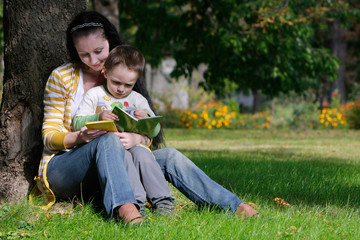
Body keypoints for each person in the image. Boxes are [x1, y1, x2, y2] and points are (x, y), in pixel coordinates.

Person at [29, 11, 258, 224]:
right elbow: (49, 137)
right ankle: (126, 209)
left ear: (110, 42)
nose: (94, 60)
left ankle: (233, 205)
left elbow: (144, 129)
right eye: (84, 54)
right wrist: (81, 136)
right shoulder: (62, 77)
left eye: (99, 51)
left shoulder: (124, 73)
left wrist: (139, 140)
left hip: (117, 165)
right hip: (66, 169)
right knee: (108, 141)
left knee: (169, 156)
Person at [73, 45, 174, 216]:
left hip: (135, 145)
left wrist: (145, 118)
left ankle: (163, 201)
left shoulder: (137, 99)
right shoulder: (94, 95)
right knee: (124, 158)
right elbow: (77, 123)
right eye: (116, 82)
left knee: (144, 156)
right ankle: (136, 203)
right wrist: (98, 117)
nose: (121, 89)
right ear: (105, 73)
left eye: (128, 84)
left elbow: (154, 130)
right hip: (109, 149)